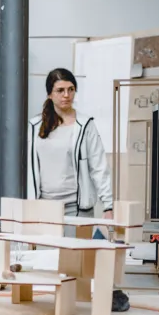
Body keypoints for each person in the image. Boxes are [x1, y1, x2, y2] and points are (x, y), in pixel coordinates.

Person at [27, 68, 113, 219]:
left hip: (78, 209)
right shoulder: (34, 126)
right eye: (60, 90)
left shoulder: (85, 125)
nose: (66, 95)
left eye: (71, 89)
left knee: (79, 243)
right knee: (45, 244)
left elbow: (99, 167)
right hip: (43, 208)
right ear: (50, 94)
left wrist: (108, 205)